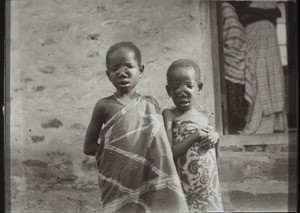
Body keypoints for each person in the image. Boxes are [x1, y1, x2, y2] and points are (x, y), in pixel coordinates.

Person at [83, 42, 188, 212]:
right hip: (118, 178)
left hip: (147, 175)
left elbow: (161, 146)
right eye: (115, 68)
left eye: (129, 66)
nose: (122, 72)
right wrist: (121, 155)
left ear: (141, 70)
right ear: (108, 74)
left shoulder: (150, 105)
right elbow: (88, 147)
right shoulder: (104, 105)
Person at [162, 59, 223, 212]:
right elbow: (170, 153)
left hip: (208, 186)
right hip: (185, 186)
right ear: (169, 90)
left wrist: (215, 137)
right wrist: (195, 135)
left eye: (189, 86)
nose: (183, 91)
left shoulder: (204, 116)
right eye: (176, 87)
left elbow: (215, 155)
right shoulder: (170, 115)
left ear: (199, 88)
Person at [231, 1, 286, 134]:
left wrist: (255, 12)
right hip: (252, 34)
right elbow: (243, 17)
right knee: (256, 78)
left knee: (270, 76)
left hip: (268, 35)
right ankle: (257, 121)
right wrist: (262, 13)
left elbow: (277, 12)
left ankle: (274, 124)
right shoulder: (240, 4)